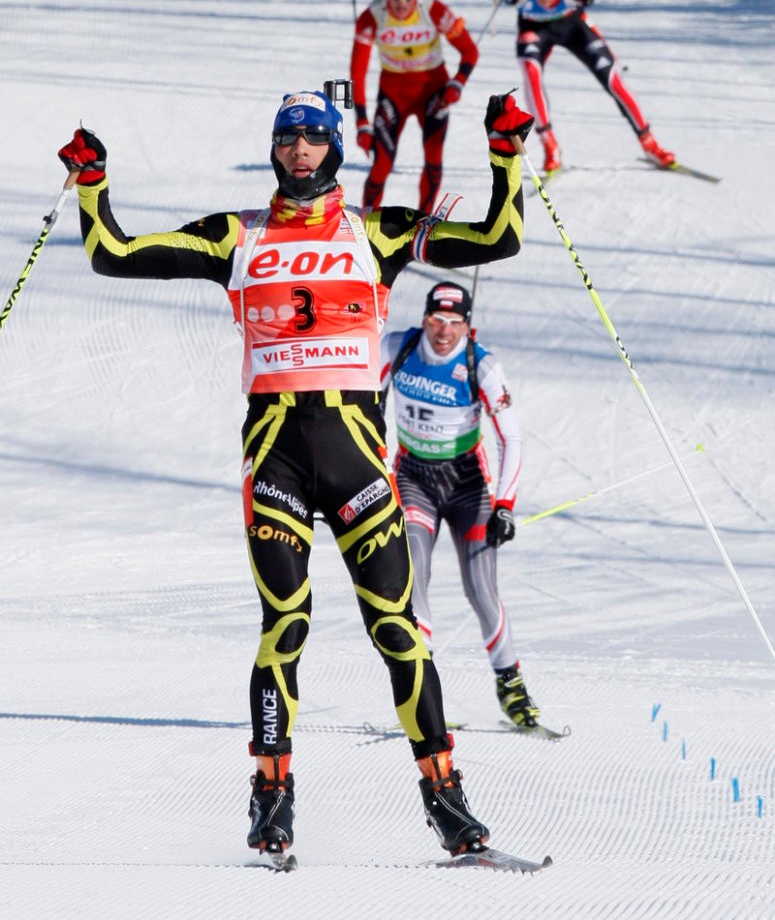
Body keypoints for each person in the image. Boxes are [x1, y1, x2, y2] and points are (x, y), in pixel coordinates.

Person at [56, 88, 534, 859]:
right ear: (274, 150)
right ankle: (271, 800)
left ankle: (446, 801)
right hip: (274, 457)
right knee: (285, 625)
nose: (299, 150)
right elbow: (112, 252)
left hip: (357, 464)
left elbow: (496, 238)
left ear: (333, 146)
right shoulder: (233, 235)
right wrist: (91, 181)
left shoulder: (373, 230)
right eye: (287, 139)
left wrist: (507, 154)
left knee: (398, 631)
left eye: (313, 137)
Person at [380, 281, 540, 731]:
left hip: (468, 485)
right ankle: (420, 692)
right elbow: (364, 403)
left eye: (454, 323)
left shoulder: (481, 365)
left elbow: (511, 436)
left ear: (469, 326)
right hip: (414, 479)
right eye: (436, 320)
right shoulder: (398, 347)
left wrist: (505, 504)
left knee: (481, 590)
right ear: (425, 318)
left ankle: (512, 688)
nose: (444, 332)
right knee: (413, 578)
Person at [483, 0, 675, 173]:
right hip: (534, 29)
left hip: (572, 26)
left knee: (612, 79)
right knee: (530, 73)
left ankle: (649, 143)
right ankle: (550, 145)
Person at [350, 0, 479, 214]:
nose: (401, 4)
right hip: (393, 93)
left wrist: (457, 83)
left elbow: (470, 51)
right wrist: (362, 123)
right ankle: (364, 226)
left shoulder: (433, 9)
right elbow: (357, 72)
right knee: (381, 165)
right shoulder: (372, 17)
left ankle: (424, 221)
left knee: (433, 157)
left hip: (433, 91)